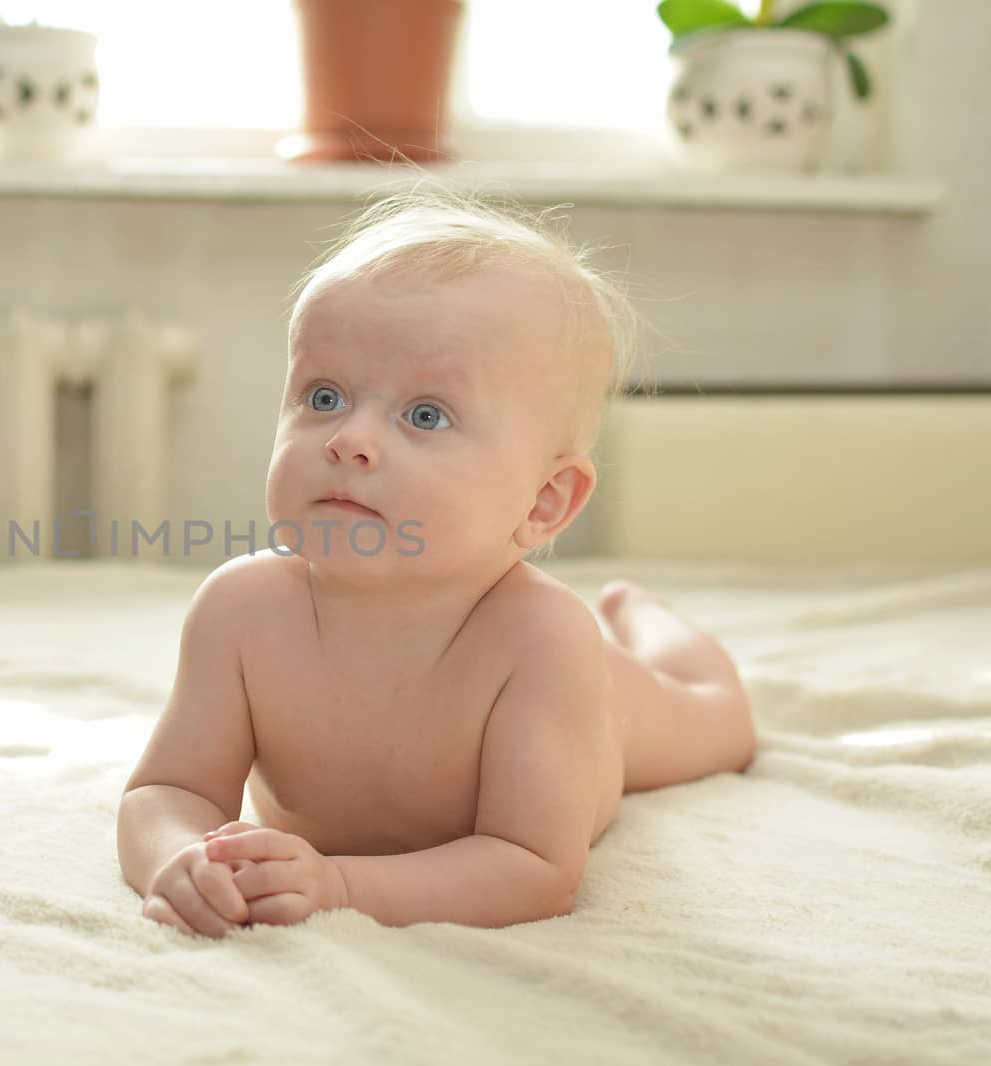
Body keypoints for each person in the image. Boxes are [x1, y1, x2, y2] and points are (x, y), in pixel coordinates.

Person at [116, 187, 757, 938]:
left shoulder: (542, 640)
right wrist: (178, 856)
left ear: (545, 502)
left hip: (599, 712)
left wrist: (339, 883)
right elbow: (165, 789)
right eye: (323, 396)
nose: (349, 438)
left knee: (718, 719)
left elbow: (532, 868)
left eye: (426, 415)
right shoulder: (241, 611)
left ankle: (646, 616)